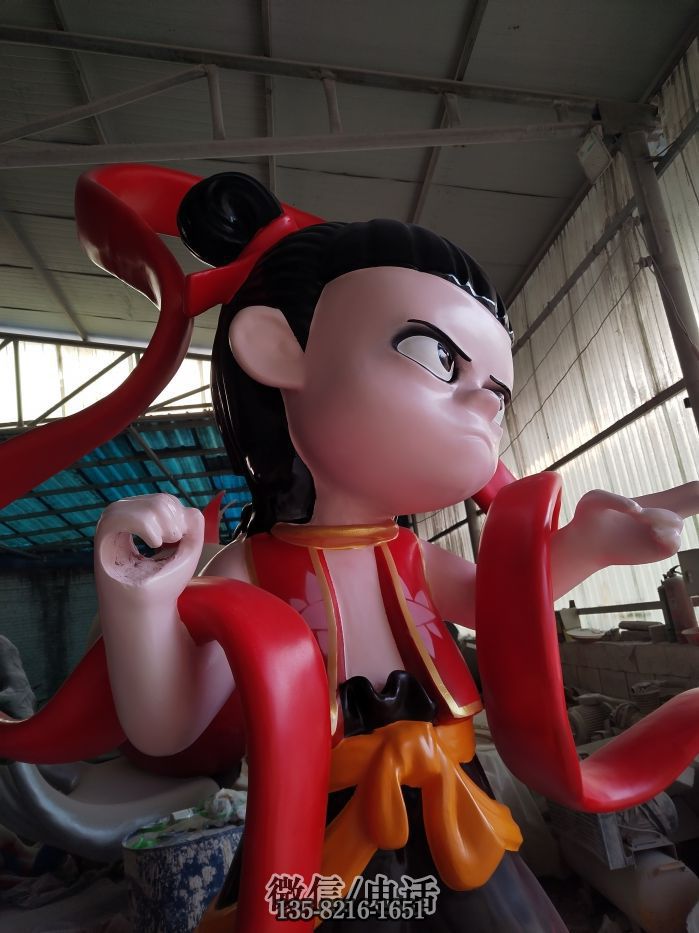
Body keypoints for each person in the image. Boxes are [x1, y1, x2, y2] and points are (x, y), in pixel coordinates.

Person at [1, 167, 698, 933]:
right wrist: (139, 596)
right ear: (276, 349)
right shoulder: (252, 568)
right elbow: (167, 728)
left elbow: (501, 603)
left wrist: (589, 545)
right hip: (317, 837)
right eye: (437, 357)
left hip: (459, 812)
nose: (482, 403)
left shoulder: (409, 556)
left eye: (497, 392)